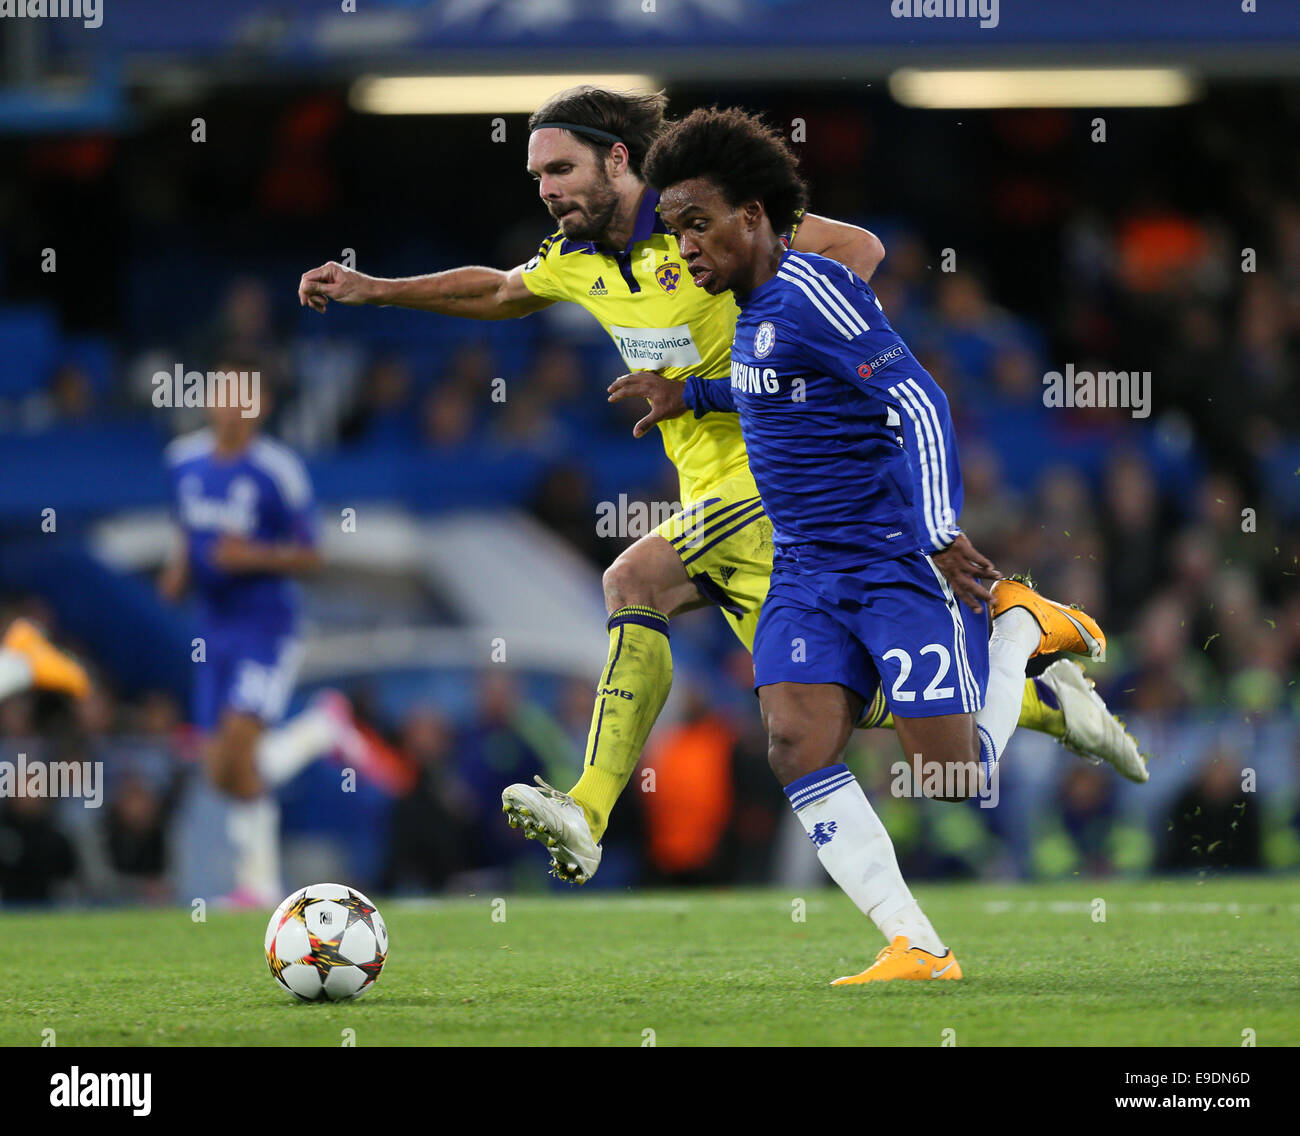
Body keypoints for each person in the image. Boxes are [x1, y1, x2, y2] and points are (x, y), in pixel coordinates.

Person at [297, 85, 1141, 886]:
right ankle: (1034, 694)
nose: (547, 189)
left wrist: (789, 351)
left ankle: (587, 810)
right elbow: (501, 289)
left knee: (635, 579)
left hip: (784, 481)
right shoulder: (576, 260)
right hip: (714, 499)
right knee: (838, 703)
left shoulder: (696, 219)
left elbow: (857, 250)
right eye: (536, 177)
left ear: (618, 159)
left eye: (560, 170)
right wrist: (377, 290)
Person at [640, 106, 1145, 982]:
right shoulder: (754, 311)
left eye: (697, 223)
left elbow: (919, 401)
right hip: (803, 571)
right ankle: (918, 944)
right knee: (794, 743)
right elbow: (777, 390)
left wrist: (940, 532)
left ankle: (1022, 629)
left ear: (753, 215)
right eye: (674, 228)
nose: (683, 247)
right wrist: (695, 400)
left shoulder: (814, 290)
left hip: (886, 567)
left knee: (956, 781)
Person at [160, 373, 369, 906]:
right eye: (220, 394)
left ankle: (321, 733)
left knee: (238, 749)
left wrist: (249, 555)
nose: (229, 407)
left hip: (266, 629)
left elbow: (312, 554)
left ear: (260, 406)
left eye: (241, 398)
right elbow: (189, 531)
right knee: (221, 772)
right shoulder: (182, 460)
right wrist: (178, 570)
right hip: (211, 631)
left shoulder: (278, 470)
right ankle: (319, 730)